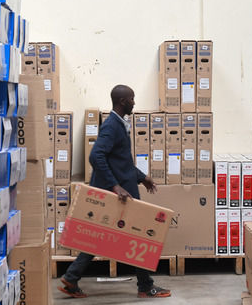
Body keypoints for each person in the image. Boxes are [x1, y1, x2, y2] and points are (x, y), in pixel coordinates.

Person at [58, 85, 172, 299]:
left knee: (104, 237)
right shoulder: (112, 126)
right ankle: (145, 286)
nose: (134, 102)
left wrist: (142, 177)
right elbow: (96, 156)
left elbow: (121, 162)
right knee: (139, 236)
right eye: (132, 99)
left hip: (123, 191)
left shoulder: (119, 124)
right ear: (123, 101)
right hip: (120, 195)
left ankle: (71, 278)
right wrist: (115, 186)